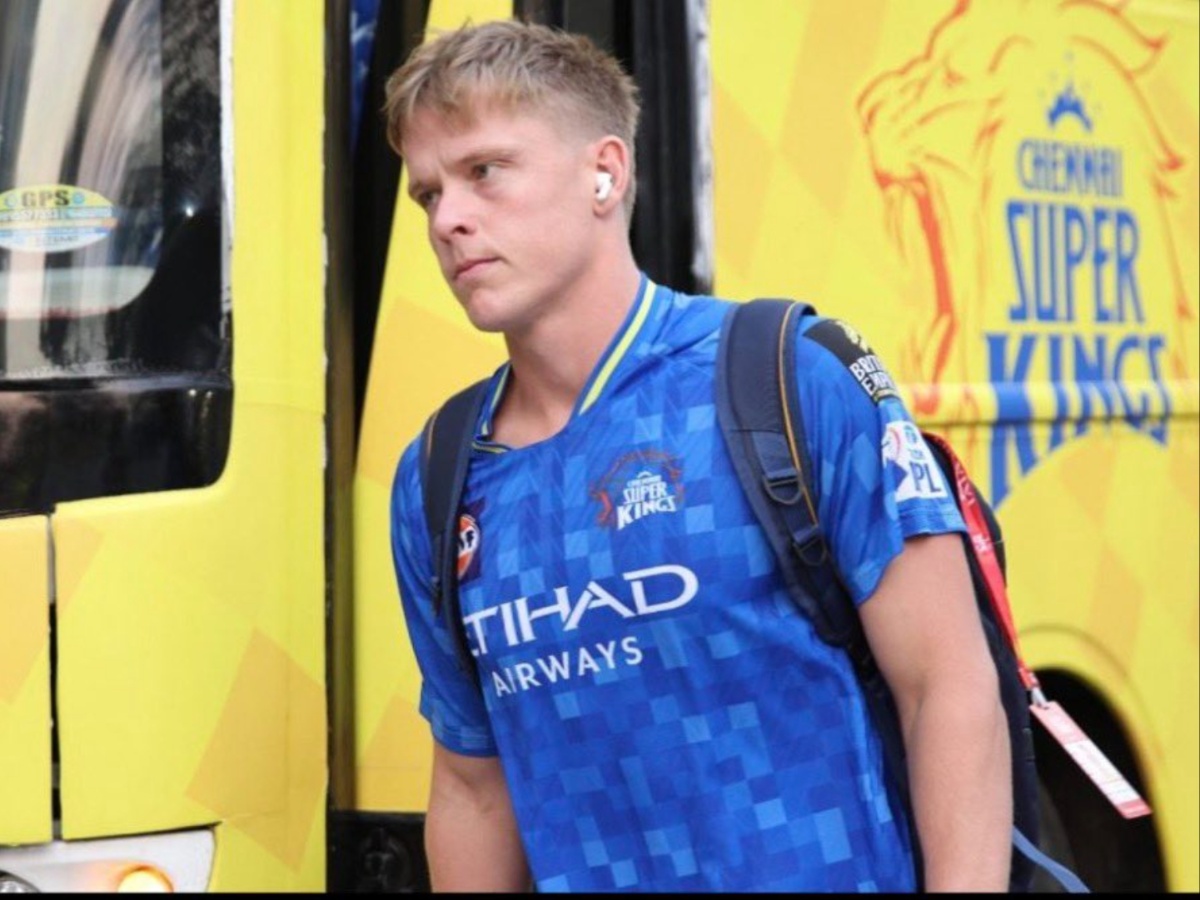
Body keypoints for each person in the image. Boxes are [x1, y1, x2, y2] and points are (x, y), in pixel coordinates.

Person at [384, 19, 1010, 893]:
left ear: (605, 172)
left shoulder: (787, 376)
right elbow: (471, 785)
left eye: (484, 171)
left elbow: (948, 690)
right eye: (428, 193)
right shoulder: (438, 478)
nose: (449, 219)